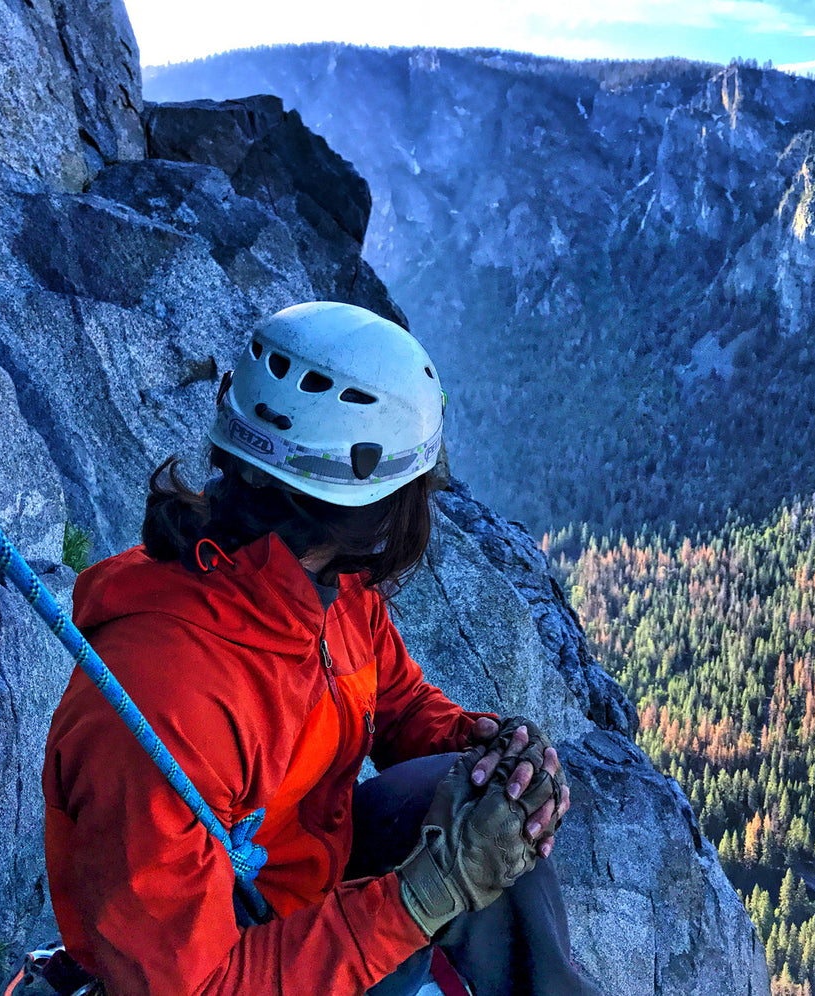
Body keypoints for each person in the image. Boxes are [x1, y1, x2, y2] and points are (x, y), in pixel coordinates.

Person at [42, 302, 597, 996]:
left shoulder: (324, 583)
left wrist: (488, 750)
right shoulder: (165, 701)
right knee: (463, 855)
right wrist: (421, 898)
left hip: (302, 887)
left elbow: (396, 705)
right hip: (230, 957)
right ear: (376, 509)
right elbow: (194, 986)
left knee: (476, 799)